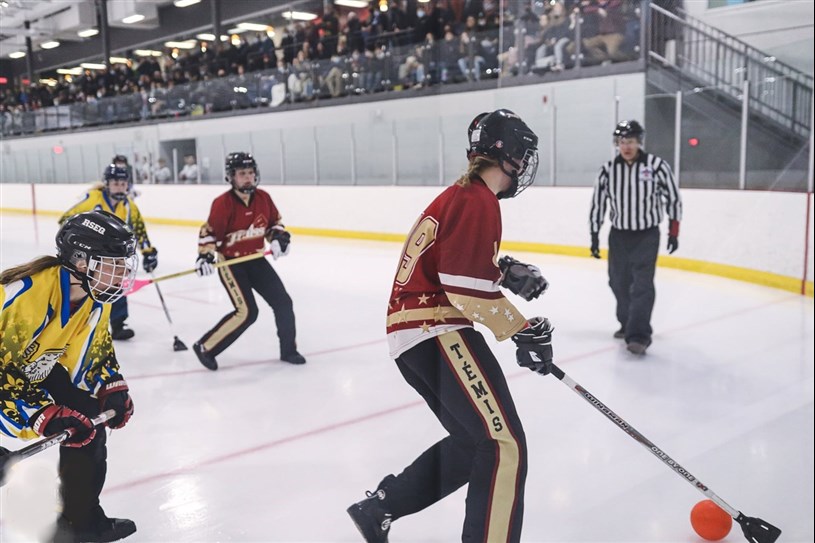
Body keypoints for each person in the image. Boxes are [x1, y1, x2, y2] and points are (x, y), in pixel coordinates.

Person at [346, 109, 554, 542]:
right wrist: (520, 329)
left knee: (473, 442)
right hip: (437, 331)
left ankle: (381, 508)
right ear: (508, 153)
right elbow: (463, 289)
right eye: (524, 154)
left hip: (413, 336)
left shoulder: (462, 195)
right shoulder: (478, 199)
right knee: (504, 445)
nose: (525, 165)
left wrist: (504, 271)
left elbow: (458, 267)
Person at [0, 210, 138, 542]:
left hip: (30, 371)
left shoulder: (94, 298)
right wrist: (42, 415)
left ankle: (79, 521)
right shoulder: (25, 296)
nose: (120, 275)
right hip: (8, 375)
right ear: (80, 261)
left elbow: (95, 351)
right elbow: (6, 370)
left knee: (89, 420)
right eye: (112, 265)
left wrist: (109, 385)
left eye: (122, 265)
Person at [192, 152, 306, 370]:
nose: (247, 177)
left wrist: (278, 239)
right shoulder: (222, 204)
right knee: (247, 312)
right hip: (231, 264)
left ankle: (288, 350)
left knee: (283, 302)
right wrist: (205, 255)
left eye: (251, 173)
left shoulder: (264, 198)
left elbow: (275, 223)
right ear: (231, 177)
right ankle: (206, 346)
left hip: (255, 259)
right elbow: (209, 232)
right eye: (242, 173)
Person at [589, 120, 682, 355]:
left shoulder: (657, 166)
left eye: (630, 141)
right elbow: (598, 203)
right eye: (622, 142)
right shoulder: (608, 170)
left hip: (647, 235)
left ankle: (639, 335)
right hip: (619, 235)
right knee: (617, 281)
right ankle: (627, 322)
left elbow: (673, 198)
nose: (626, 146)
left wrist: (673, 231)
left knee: (642, 285)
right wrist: (594, 233)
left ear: (639, 142)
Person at [59, 165, 159, 340]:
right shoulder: (92, 201)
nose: (120, 187)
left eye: (123, 183)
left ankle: (119, 323)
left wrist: (148, 251)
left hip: (112, 256)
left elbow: (139, 230)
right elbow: (66, 222)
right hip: (89, 256)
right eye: (116, 183)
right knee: (87, 287)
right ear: (107, 184)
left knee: (115, 283)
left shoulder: (129, 207)